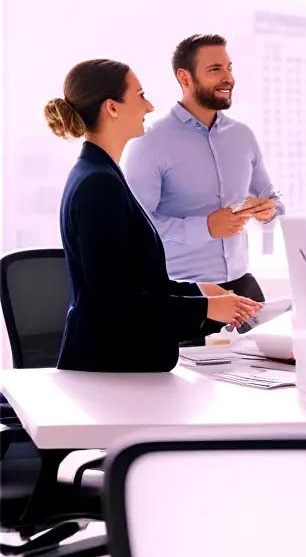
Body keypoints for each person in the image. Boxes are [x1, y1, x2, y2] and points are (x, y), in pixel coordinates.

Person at [44, 59, 261, 372]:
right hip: (110, 370)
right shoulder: (98, 185)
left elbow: (134, 283)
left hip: (121, 367)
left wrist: (197, 289)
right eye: (140, 95)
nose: (149, 106)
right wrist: (206, 308)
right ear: (112, 108)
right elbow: (114, 302)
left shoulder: (102, 174)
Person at [123, 35, 282, 312]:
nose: (228, 78)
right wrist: (205, 227)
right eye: (215, 70)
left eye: (229, 68)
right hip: (184, 294)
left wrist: (268, 211)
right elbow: (136, 229)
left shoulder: (243, 136)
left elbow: (273, 199)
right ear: (184, 77)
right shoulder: (149, 143)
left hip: (244, 287)